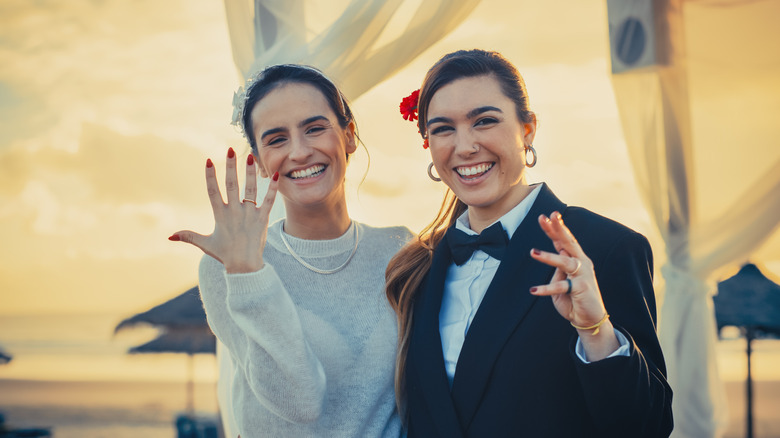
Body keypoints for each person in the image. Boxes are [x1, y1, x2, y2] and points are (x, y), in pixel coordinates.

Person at [386, 49, 673, 437]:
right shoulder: (415, 268)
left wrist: (596, 330)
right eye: (443, 128)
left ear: (528, 129)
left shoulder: (607, 248)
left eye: (484, 121)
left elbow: (647, 426)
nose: (465, 146)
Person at [170, 64, 412, 437]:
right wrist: (248, 274)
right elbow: (300, 403)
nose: (299, 152)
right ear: (259, 162)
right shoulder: (226, 267)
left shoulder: (402, 252)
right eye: (276, 139)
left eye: (314, 129)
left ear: (349, 136)